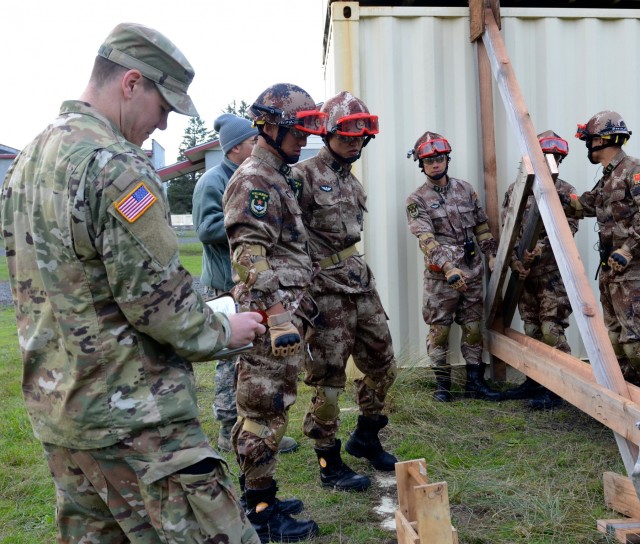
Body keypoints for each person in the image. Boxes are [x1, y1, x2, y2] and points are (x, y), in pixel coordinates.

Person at [0, 22, 266, 544]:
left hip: (64, 414)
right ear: (130, 83)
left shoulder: (29, 160)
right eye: (163, 107)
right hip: (137, 422)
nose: (162, 126)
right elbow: (159, 303)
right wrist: (222, 331)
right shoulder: (116, 166)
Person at [222, 83, 324, 543]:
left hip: (283, 316)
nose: (303, 141)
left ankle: (263, 493)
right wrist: (279, 315)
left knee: (274, 407)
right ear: (269, 126)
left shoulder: (277, 174)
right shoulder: (254, 179)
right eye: (296, 131)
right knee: (263, 413)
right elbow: (249, 254)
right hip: (269, 321)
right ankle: (260, 514)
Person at [292, 91, 397, 492]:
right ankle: (328, 461)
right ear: (328, 133)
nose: (354, 143)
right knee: (329, 378)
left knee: (382, 363)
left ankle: (366, 436)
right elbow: (286, 237)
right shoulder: (301, 176)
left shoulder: (351, 181)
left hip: (358, 281)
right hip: (324, 290)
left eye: (360, 137)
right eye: (346, 136)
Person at [192, 113, 298, 455]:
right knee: (229, 358)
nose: (258, 145)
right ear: (236, 147)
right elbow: (206, 230)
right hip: (224, 282)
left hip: (247, 284)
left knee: (251, 361)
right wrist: (247, 224)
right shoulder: (214, 180)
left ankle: (254, 426)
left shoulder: (259, 175)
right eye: (252, 141)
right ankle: (227, 429)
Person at [405, 131, 503, 402]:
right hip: (441, 279)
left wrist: (491, 254)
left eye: (439, 159)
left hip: (471, 272)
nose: (435, 165)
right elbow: (425, 238)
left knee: (473, 328)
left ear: (447, 159)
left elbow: (481, 226)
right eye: (429, 161)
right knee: (440, 331)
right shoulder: (417, 200)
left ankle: (474, 384)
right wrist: (448, 268)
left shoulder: (465, 189)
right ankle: (443, 387)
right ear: (421, 165)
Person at [501, 131, 579, 409]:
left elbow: (569, 228)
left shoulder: (566, 192)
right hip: (525, 276)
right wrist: (514, 260)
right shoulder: (516, 189)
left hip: (551, 276)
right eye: (545, 156)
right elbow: (507, 227)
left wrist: (542, 249)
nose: (550, 161)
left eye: (555, 157)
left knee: (551, 329)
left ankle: (562, 388)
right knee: (532, 329)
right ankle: (535, 382)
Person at [564, 111, 640, 385]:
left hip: (632, 273)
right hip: (610, 272)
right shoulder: (608, 177)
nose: (587, 146)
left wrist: (628, 249)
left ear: (602, 140)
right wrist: (554, 189)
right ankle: (627, 403)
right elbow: (584, 204)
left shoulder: (633, 170)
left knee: (634, 341)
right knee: (616, 338)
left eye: (589, 140)